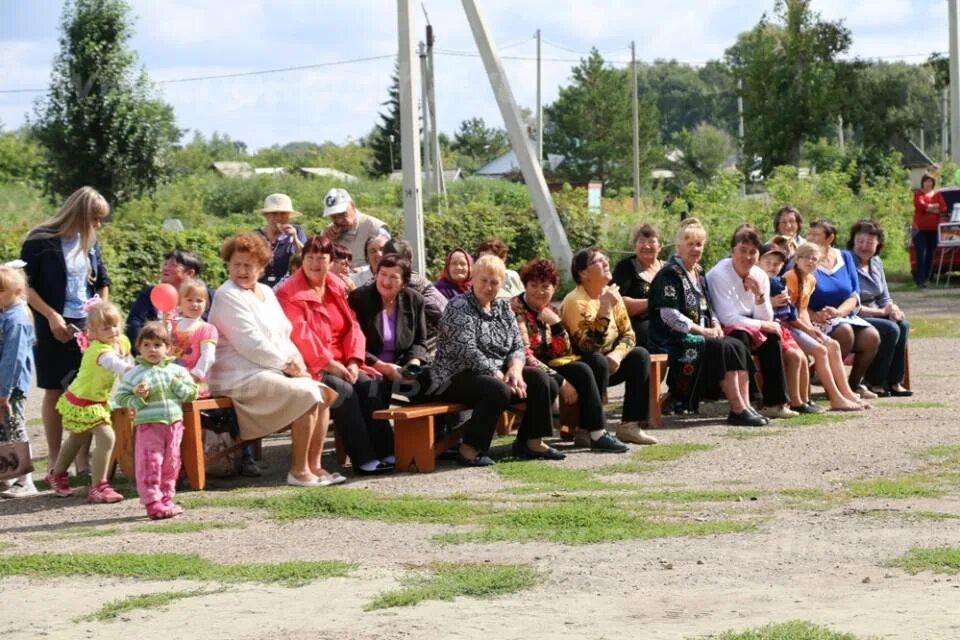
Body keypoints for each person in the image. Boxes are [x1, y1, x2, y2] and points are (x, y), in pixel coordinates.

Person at [207, 232, 341, 488]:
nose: (242, 270)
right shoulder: (227, 295)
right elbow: (250, 343)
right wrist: (286, 365)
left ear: (261, 266)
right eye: (236, 264)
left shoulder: (267, 292)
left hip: (270, 369)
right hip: (237, 376)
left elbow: (284, 332)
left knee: (322, 393)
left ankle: (313, 467)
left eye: (249, 265)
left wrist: (297, 362)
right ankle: (298, 471)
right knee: (306, 395)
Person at [276, 235, 395, 476]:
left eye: (322, 258)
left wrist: (353, 361)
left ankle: (388, 451)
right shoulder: (289, 292)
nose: (315, 264)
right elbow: (301, 336)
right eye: (310, 258)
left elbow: (353, 327)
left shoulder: (336, 285)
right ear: (302, 259)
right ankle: (364, 458)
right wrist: (332, 365)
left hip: (343, 360)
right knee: (344, 391)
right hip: (311, 366)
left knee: (370, 385)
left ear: (331, 261)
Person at [430, 254, 563, 466]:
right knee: (497, 389)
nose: (489, 287)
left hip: (496, 372)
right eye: (484, 280)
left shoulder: (503, 308)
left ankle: (530, 442)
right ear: (473, 278)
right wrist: (500, 375)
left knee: (541, 379)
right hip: (454, 375)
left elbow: (517, 345)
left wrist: (516, 370)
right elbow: (467, 351)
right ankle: (469, 450)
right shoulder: (458, 306)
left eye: (495, 282)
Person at [20, 186, 111, 474]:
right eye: (95, 219)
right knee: (54, 390)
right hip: (52, 324)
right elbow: (25, 285)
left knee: (85, 390)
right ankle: (56, 459)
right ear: (80, 214)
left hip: (85, 325)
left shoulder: (91, 241)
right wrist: (50, 315)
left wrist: (100, 315)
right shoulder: (40, 241)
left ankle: (82, 460)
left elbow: (102, 282)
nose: (98, 225)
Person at [648, 219, 761, 426]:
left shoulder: (698, 272)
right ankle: (736, 408)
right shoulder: (669, 274)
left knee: (735, 345)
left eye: (699, 244)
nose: (695, 248)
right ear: (679, 246)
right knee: (721, 347)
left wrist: (715, 324)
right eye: (690, 244)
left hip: (700, 331)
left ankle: (745, 406)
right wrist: (702, 330)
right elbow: (668, 314)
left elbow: (708, 306)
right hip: (673, 336)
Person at [510, 258, 628, 453]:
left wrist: (556, 325)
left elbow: (563, 352)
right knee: (554, 381)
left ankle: (596, 432)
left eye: (545, 286)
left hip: (547, 362)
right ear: (525, 285)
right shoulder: (516, 308)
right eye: (533, 285)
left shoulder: (550, 310)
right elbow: (524, 352)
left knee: (583, 369)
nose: (539, 291)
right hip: (520, 365)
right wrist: (561, 380)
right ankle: (529, 441)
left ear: (554, 288)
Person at [560, 247, 658, 444]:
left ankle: (630, 426)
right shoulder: (575, 301)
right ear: (583, 273)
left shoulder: (612, 294)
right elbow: (588, 346)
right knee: (596, 360)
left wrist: (618, 355)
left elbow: (629, 335)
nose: (606, 262)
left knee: (640, 355)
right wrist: (604, 308)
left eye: (606, 258)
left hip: (609, 362)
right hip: (579, 367)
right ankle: (589, 429)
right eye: (598, 261)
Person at [44, 300, 131, 502]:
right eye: (106, 327)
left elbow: (125, 364)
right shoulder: (99, 351)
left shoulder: (122, 342)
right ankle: (99, 487)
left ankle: (56, 474)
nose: (113, 331)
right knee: (107, 438)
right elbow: (118, 365)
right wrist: (136, 373)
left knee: (77, 438)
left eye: (115, 325)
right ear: (93, 331)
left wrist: (129, 390)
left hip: (97, 400)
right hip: (83, 401)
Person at [706, 225, 796, 420]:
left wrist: (760, 296)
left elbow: (766, 318)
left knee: (772, 337)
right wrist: (763, 325)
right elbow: (727, 318)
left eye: (753, 252)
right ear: (732, 252)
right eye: (743, 251)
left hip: (749, 323)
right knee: (740, 336)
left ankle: (775, 402)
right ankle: (750, 400)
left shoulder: (760, 275)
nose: (748, 257)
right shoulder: (718, 274)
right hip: (723, 326)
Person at [114, 322, 198, 519]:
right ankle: (152, 501)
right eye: (147, 345)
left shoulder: (176, 371)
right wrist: (137, 396)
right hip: (149, 426)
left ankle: (167, 498)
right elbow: (121, 397)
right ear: (139, 348)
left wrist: (177, 385)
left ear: (168, 348)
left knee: (171, 463)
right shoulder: (134, 374)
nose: (152, 349)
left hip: (174, 425)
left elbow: (191, 393)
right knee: (151, 463)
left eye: (158, 345)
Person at [784, 243, 865, 411]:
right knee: (821, 350)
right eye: (806, 257)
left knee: (833, 345)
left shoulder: (810, 279)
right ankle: (835, 398)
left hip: (802, 325)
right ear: (797, 259)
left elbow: (804, 310)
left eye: (815, 259)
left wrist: (812, 327)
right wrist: (808, 329)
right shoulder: (790, 277)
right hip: (788, 326)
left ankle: (846, 393)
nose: (810, 261)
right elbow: (789, 314)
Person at [807, 218, 881, 400]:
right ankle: (832, 385)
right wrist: (813, 314)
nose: (810, 238)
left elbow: (854, 295)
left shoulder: (845, 257)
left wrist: (839, 312)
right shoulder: (804, 259)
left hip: (842, 314)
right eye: (810, 234)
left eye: (816, 235)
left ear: (829, 238)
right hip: (814, 317)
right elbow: (795, 296)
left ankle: (852, 385)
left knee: (872, 337)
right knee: (844, 332)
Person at [348, 253, 429, 398]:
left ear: (404, 282)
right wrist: (384, 368)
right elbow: (353, 344)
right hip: (370, 367)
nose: (386, 281)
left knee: (436, 381)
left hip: (402, 368)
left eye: (393, 277)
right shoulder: (359, 299)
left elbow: (419, 342)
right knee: (374, 389)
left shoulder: (415, 300)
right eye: (383, 274)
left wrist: (413, 365)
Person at [848, 219, 912, 397]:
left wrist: (893, 309)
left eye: (870, 242)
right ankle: (874, 381)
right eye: (860, 241)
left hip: (877, 311)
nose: (864, 246)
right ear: (853, 241)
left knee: (902, 324)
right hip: (856, 314)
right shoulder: (847, 261)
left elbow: (884, 296)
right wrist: (882, 312)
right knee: (890, 329)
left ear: (878, 245)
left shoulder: (876, 262)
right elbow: (851, 302)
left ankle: (894, 381)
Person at [758, 245, 824, 413]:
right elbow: (749, 309)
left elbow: (791, 313)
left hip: (780, 327)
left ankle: (804, 400)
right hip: (763, 329)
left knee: (802, 357)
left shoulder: (780, 282)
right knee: (795, 356)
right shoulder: (755, 281)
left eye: (778, 263)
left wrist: (808, 328)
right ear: (759, 262)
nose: (773, 266)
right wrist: (770, 303)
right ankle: (795, 401)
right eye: (768, 262)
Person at [0, 265, 38, 498]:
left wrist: (4, 391)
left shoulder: (17, 319)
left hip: (11, 387)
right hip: (4, 386)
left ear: (16, 291)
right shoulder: (6, 313)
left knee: (15, 427)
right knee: (4, 429)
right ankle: (9, 474)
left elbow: (12, 359)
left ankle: (26, 480)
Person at [126, 249, 212, 350]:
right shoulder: (150, 293)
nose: (166, 268)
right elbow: (134, 324)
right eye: (165, 264)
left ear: (190, 273)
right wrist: (143, 353)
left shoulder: (207, 295)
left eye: (173, 265)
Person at [381, 238, 447, 358]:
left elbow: (445, 313)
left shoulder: (417, 283)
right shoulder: (420, 283)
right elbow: (447, 313)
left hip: (423, 349)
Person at [611, 224, 664, 348]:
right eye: (641, 241)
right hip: (638, 324)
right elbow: (619, 302)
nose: (646, 246)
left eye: (652, 241)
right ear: (635, 246)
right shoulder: (625, 267)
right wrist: (652, 302)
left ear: (660, 246)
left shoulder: (668, 269)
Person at [322, 188, 390, 270]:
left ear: (353, 206)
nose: (339, 220)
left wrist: (362, 271)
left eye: (343, 214)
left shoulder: (375, 228)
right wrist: (326, 243)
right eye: (333, 216)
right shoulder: (328, 233)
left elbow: (390, 263)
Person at [256, 193, 307, 287]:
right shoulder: (256, 236)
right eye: (274, 213)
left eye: (283, 213)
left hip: (289, 287)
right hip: (260, 287)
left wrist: (295, 239)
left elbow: (306, 257)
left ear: (289, 215)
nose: (279, 217)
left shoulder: (297, 231)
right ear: (266, 215)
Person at [912, 173, 947, 288]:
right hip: (918, 230)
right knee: (920, 255)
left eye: (931, 181)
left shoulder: (937, 194)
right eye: (926, 181)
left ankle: (926, 278)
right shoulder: (918, 194)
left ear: (933, 183)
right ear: (923, 182)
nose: (928, 183)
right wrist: (933, 207)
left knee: (930, 255)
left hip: (933, 230)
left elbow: (943, 208)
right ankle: (920, 281)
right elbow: (920, 205)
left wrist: (929, 208)